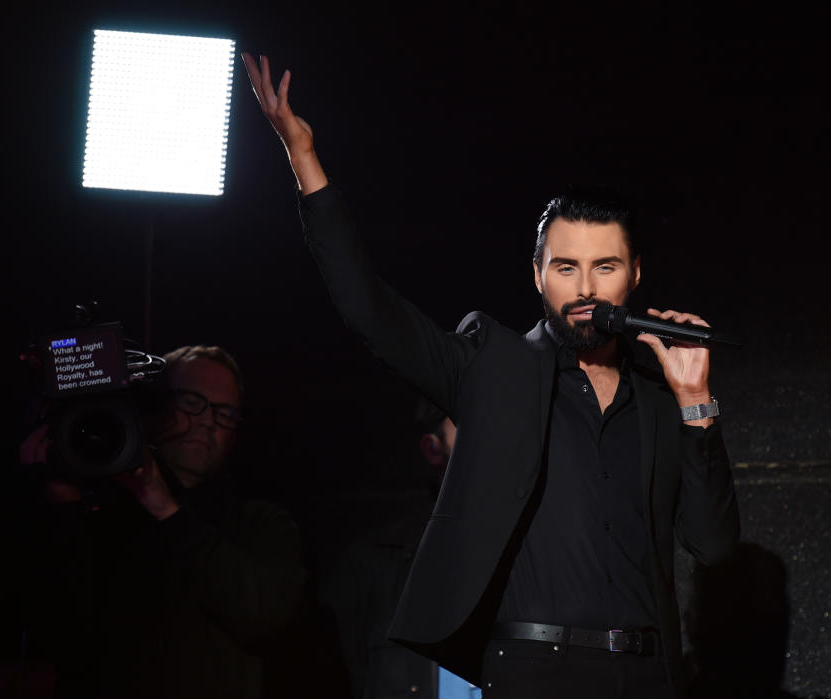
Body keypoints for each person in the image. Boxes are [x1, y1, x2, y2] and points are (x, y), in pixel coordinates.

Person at [243, 53, 740, 698]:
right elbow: (369, 308)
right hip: (531, 671)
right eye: (566, 268)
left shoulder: (657, 396)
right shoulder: (494, 366)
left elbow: (715, 546)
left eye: (604, 267)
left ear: (634, 274)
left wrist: (697, 402)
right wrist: (303, 158)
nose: (586, 288)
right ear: (537, 275)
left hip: (646, 676)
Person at [18, 345, 309, 699]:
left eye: (226, 412)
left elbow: (265, 617)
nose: (206, 420)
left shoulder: (262, 523)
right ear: (155, 408)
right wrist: (61, 503)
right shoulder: (105, 514)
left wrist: (166, 508)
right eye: (191, 401)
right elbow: (56, 635)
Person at [323, 398, 480, 698]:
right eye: (471, 420)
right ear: (433, 448)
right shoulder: (374, 567)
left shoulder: (543, 561)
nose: (493, 436)